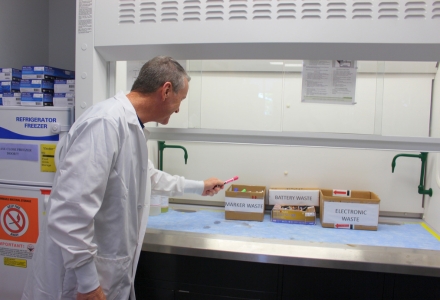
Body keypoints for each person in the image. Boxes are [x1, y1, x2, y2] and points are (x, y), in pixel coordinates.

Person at [22, 56, 224, 300]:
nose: (179, 108)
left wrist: (199, 187)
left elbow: (148, 177)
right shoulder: (105, 123)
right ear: (166, 91)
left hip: (104, 273)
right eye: (180, 100)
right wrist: (87, 284)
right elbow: (70, 210)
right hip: (78, 283)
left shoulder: (132, 127)